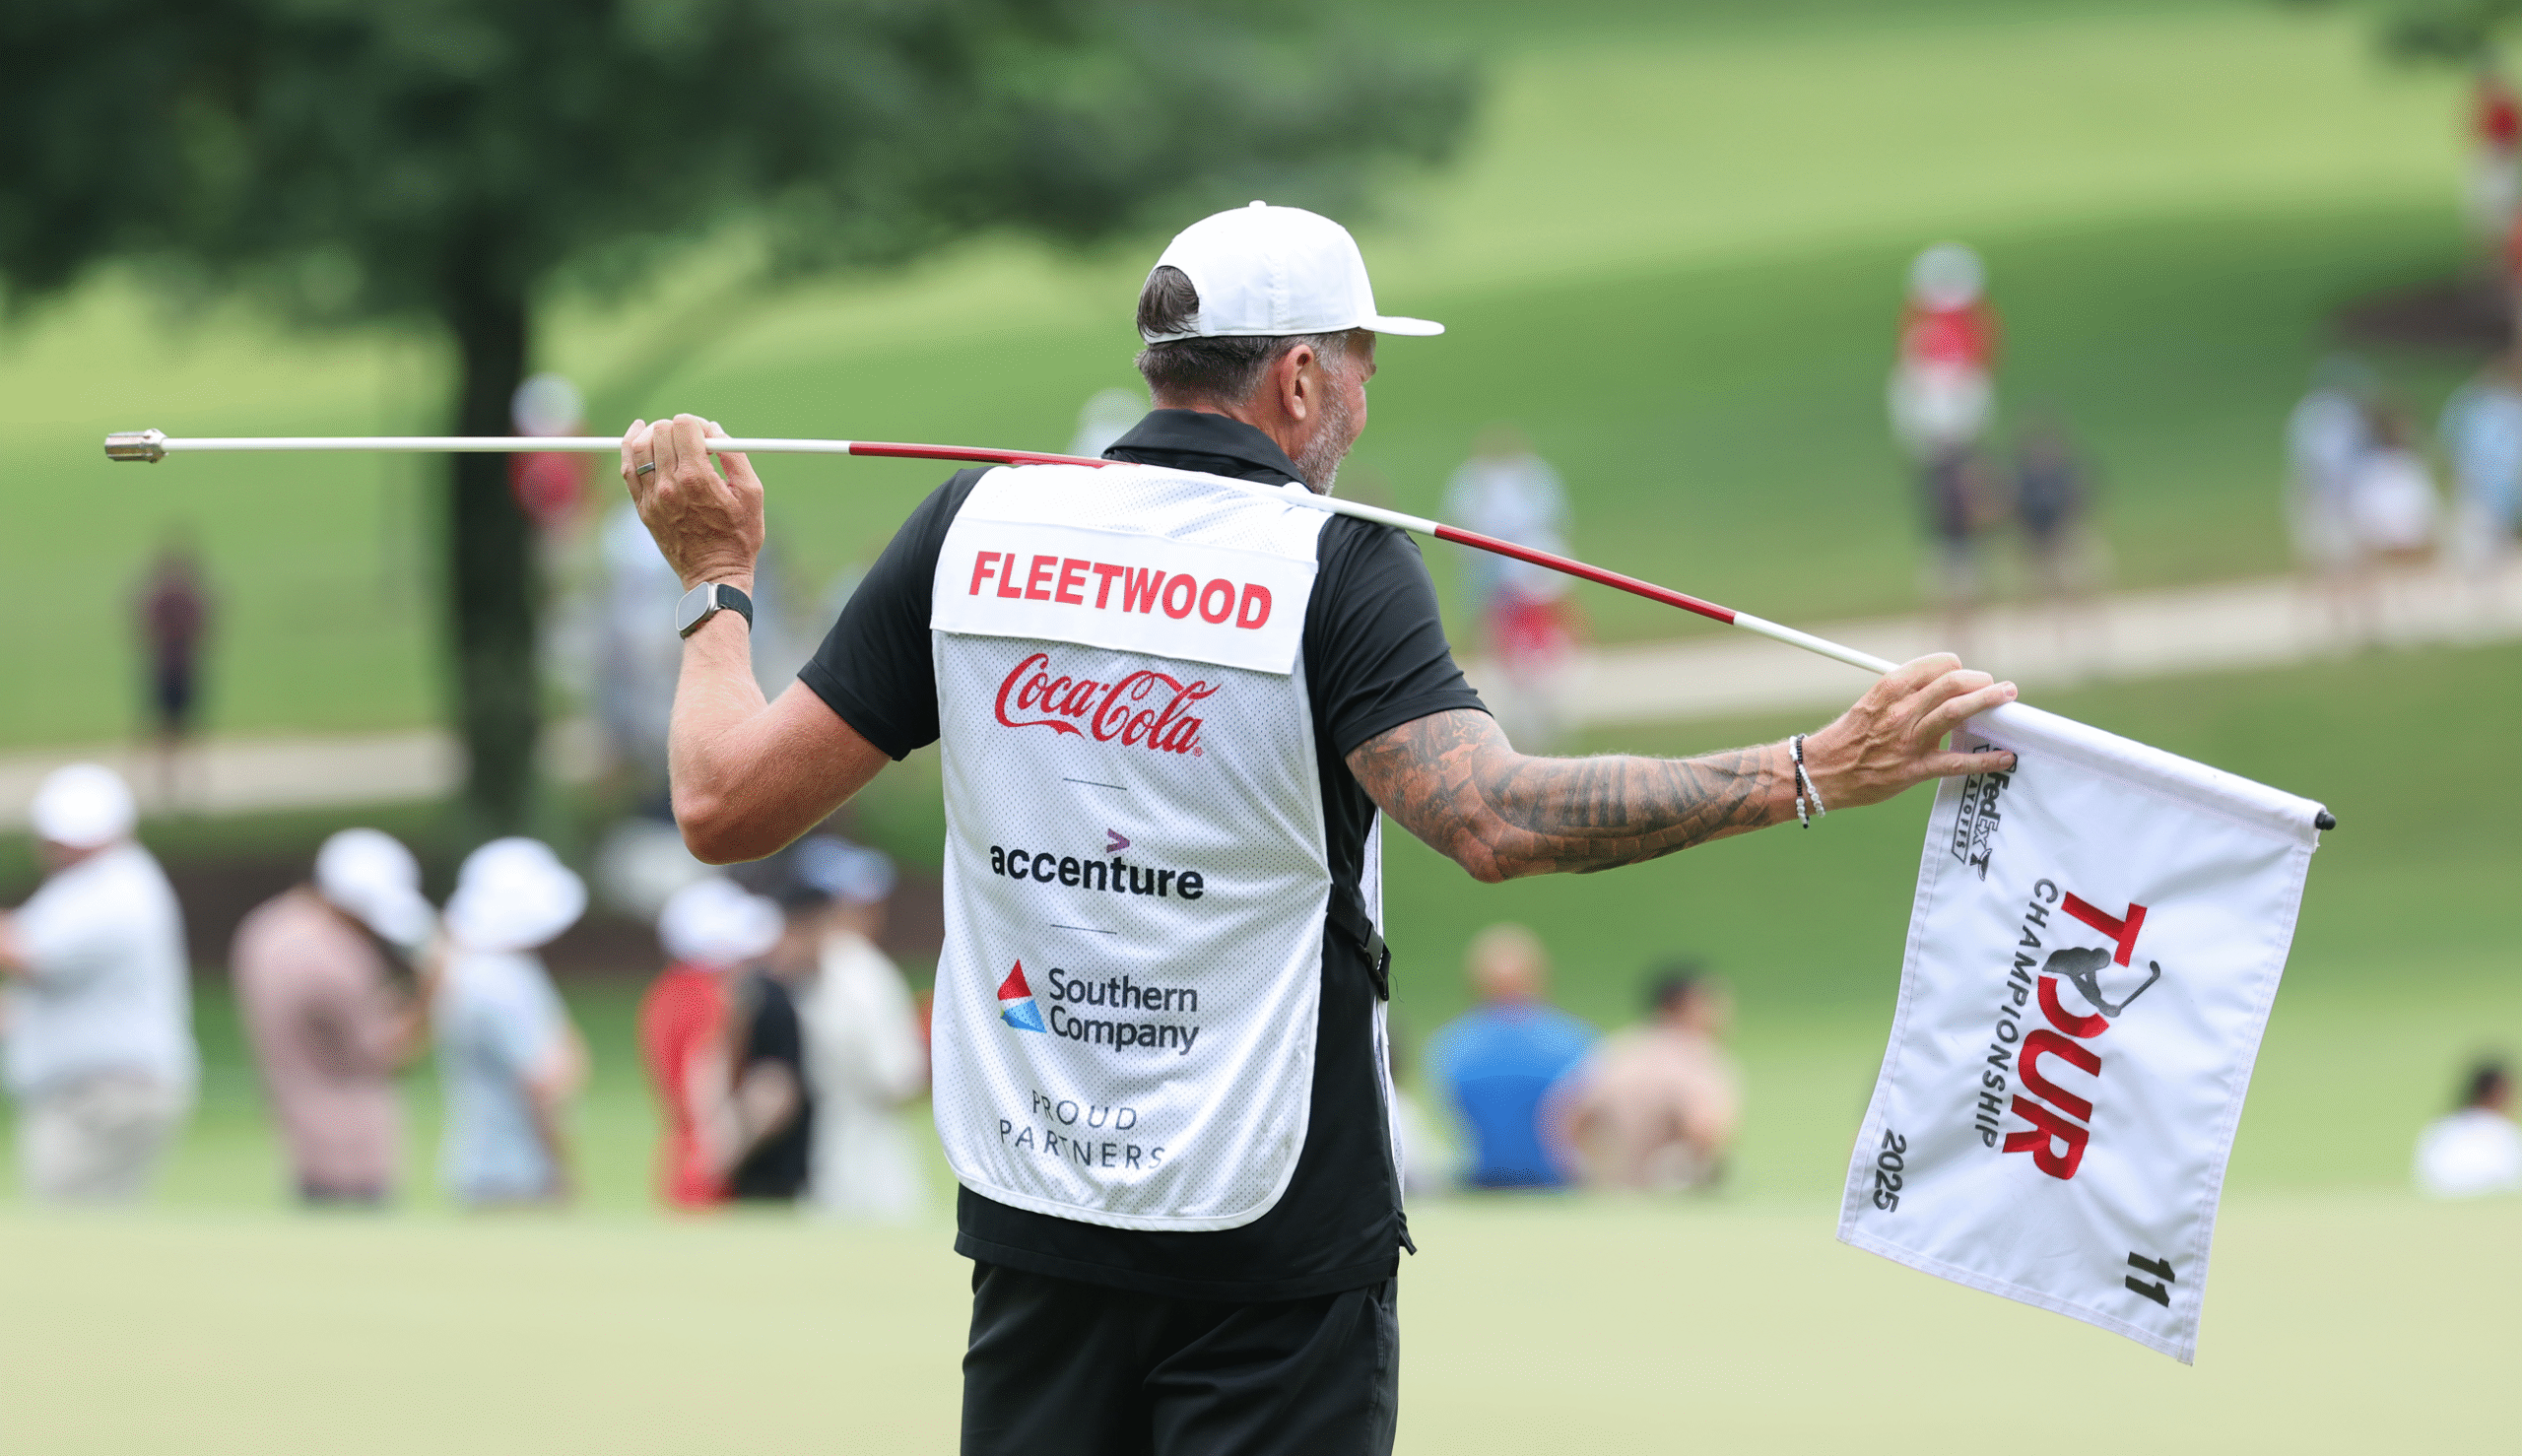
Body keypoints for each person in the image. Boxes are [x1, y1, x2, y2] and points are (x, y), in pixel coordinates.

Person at [618, 198, 2018, 1454]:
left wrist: (716, 582)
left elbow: (726, 802)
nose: (1363, 393)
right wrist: (1805, 768)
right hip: (1272, 1235)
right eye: (1359, 362)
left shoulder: (971, 527)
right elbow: (1493, 819)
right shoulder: (1334, 564)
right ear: (1297, 379)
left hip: (1039, 1211)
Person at [0, 764, 197, 1202]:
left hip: (103, 1095)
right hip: (99, 1091)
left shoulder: (113, 889)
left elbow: (23, 953)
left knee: (70, 1226)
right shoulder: (92, 887)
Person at [230, 828, 435, 1205]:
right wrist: (429, 997)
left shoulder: (267, 928)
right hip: (351, 1151)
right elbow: (385, 1055)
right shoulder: (335, 958)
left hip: (299, 1128)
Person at [755, 835, 929, 1222]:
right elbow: (900, 1077)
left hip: (833, 1145)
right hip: (866, 1152)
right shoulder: (863, 972)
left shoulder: (807, 970)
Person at [432, 837, 588, 1208]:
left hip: (484, 1167)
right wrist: (561, 1170)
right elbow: (544, 1082)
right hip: (513, 1177)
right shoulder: (501, 981)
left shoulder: (471, 970)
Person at [638, 875, 783, 1209]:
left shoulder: (667, 990)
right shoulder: (705, 996)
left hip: (679, 1152)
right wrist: (721, 1146)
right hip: (701, 1165)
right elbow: (704, 1070)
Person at [1427, 924, 1595, 1189]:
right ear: (1539, 977)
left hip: (1482, 1179)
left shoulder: (1450, 1046)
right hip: (1557, 1182)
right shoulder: (1575, 1042)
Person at [1443, 426, 1578, 749]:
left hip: (1528, 566)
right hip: (1494, 571)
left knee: (1531, 632)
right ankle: (1512, 686)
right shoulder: (1472, 482)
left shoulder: (1534, 478)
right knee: (1502, 631)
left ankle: (1540, 684)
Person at [1555, 963, 1741, 1192]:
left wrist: (1593, 1170)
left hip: (1610, 1193)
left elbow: (1569, 1119)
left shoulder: (1618, 1049)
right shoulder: (1701, 1058)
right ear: (1690, 1006)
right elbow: (1704, 1131)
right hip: (1668, 1194)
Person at [135, 533, 213, 807]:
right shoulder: (188, 597)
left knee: (168, 730)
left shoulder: (161, 597)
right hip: (179, 667)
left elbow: (144, 628)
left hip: (167, 667)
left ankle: (175, 788)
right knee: (178, 729)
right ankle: (182, 787)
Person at [2438, 355, 2522, 573]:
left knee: (2483, 539)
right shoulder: (2483, 405)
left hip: (2487, 484)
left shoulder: (2475, 404)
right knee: (2482, 539)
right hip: (2487, 484)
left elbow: (2450, 439)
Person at [2415, 1059, 2522, 1198]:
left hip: (2442, 1193)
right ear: (2497, 1092)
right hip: (2488, 1192)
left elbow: (2425, 1177)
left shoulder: (2439, 1128)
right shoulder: (2506, 1132)